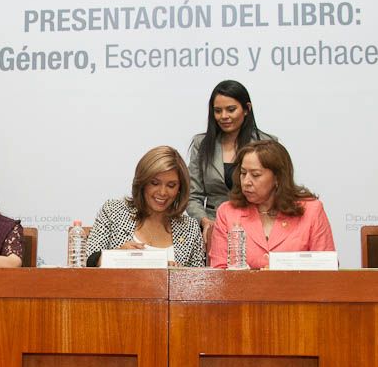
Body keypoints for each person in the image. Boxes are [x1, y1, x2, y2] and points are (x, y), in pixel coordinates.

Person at [209, 140, 335, 269]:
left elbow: (326, 268)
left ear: (278, 178)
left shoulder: (311, 210)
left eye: (255, 175)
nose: (246, 182)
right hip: (242, 283)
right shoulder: (228, 212)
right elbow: (219, 271)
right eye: (243, 173)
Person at [186, 80, 276, 246]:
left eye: (231, 109)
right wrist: (205, 221)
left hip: (257, 226)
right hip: (214, 227)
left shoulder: (267, 143)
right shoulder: (202, 144)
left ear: (247, 109)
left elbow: (276, 191)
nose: (224, 116)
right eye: (218, 111)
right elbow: (192, 196)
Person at [85, 146, 205, 267]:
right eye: (155, 183)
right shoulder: (113, 211)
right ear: (142, 183)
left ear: (180, 188)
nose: (162, 192)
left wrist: (178, 274)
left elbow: (199, 277)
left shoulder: (190, 228)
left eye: (171, 185)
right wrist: (117, 256)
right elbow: (87, 262)